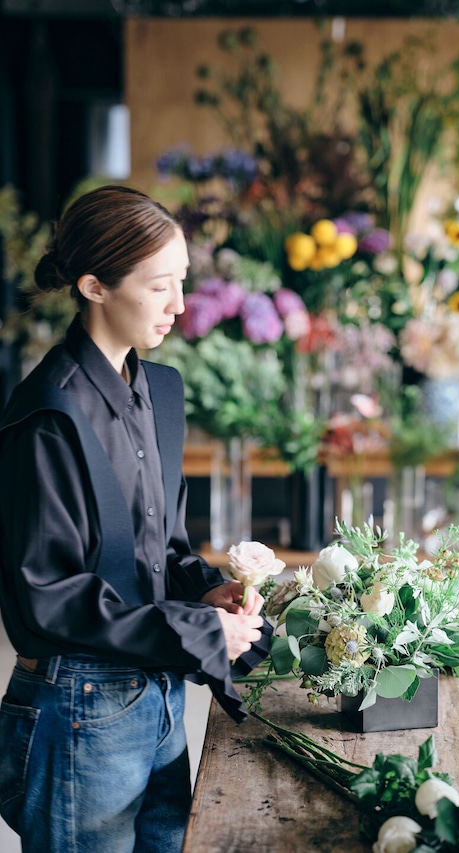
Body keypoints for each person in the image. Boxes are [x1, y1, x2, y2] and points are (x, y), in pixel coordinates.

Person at [0, 185, 272, 853]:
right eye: (159, 287)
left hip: (158, 692)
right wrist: (194, 627)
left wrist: (202, 591)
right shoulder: (47, 418)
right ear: (94, 285)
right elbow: (48, 601)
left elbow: (163, 547)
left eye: (182, 281)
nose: (179, 305)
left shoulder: (158, 392)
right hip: (80, 706)